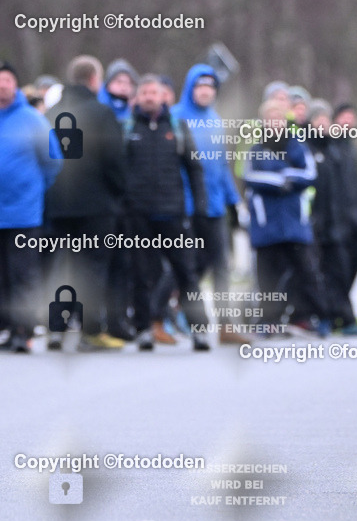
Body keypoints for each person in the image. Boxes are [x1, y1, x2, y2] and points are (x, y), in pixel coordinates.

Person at [44, 55, 128, 351]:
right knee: (91, 267)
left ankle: (56, 329)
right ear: (95, 80)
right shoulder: (102, 114)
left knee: (61, 266)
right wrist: (119, 193)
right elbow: (114, 161)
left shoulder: (51, 112)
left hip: (57, 203)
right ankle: (90, 331)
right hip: (95, 205)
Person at [124, 75, 212, 351]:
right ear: (137, 97)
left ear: (164, 96)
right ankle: (144, 329)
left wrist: (200, 205)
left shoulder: (178, 127)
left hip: (173, 213)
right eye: (145, 92)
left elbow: (195, 169)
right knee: (141, 275)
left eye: (155, 92)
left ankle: (199, 331)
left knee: (186, 273)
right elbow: (117, 172)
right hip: (138, 214)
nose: (150, 97)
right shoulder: (127, 129)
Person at [0, 61, 62, 352]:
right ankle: (10, 328)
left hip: (22, 214)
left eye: (8, 79)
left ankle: (25, 331)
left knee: (23, 275)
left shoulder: (32, 119)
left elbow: (53, 159)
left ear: (15, 86)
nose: (3, 84)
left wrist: (33, 188)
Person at [243, 100, 334, 337]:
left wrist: (284, 176)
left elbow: (309, 174)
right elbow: (251, 176)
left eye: (279, 118)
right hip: (266, 224)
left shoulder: (297, 146)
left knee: (308, 272)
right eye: (270, 118)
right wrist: (280, 181)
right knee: (267, 279)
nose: (275, 122)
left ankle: (321, 317)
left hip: (295, 222)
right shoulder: (255, 149)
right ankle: (268, 322)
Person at [172, 64, 244, 343]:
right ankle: (162, 313)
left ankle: (226, 325)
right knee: (187, 267)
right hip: (187, 207)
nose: (205, 92)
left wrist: (233, 201)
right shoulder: (176, 117)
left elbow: (222, 166)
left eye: (210, 87)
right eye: (200, 87)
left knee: (221, 265)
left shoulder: (215, 120)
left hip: (214, 207)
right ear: (191, 89)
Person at [304, 102, 357, 335]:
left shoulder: (338, 149)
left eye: (325, 119)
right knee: (329, 273)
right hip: (318, 223)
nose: (322, 123)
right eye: (317, 119)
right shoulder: (306, 149)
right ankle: (336, 317)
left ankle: (338, 315)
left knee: (341, 269)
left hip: (341, 221)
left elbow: (348, 188)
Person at [329, 102, 357, 326]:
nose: (347, 120)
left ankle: (340, 307)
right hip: (339, 219)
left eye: (351, 116)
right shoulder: (331, 145)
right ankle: (341, 314)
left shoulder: (349, 146)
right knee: (340, 268)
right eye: (343, 115)